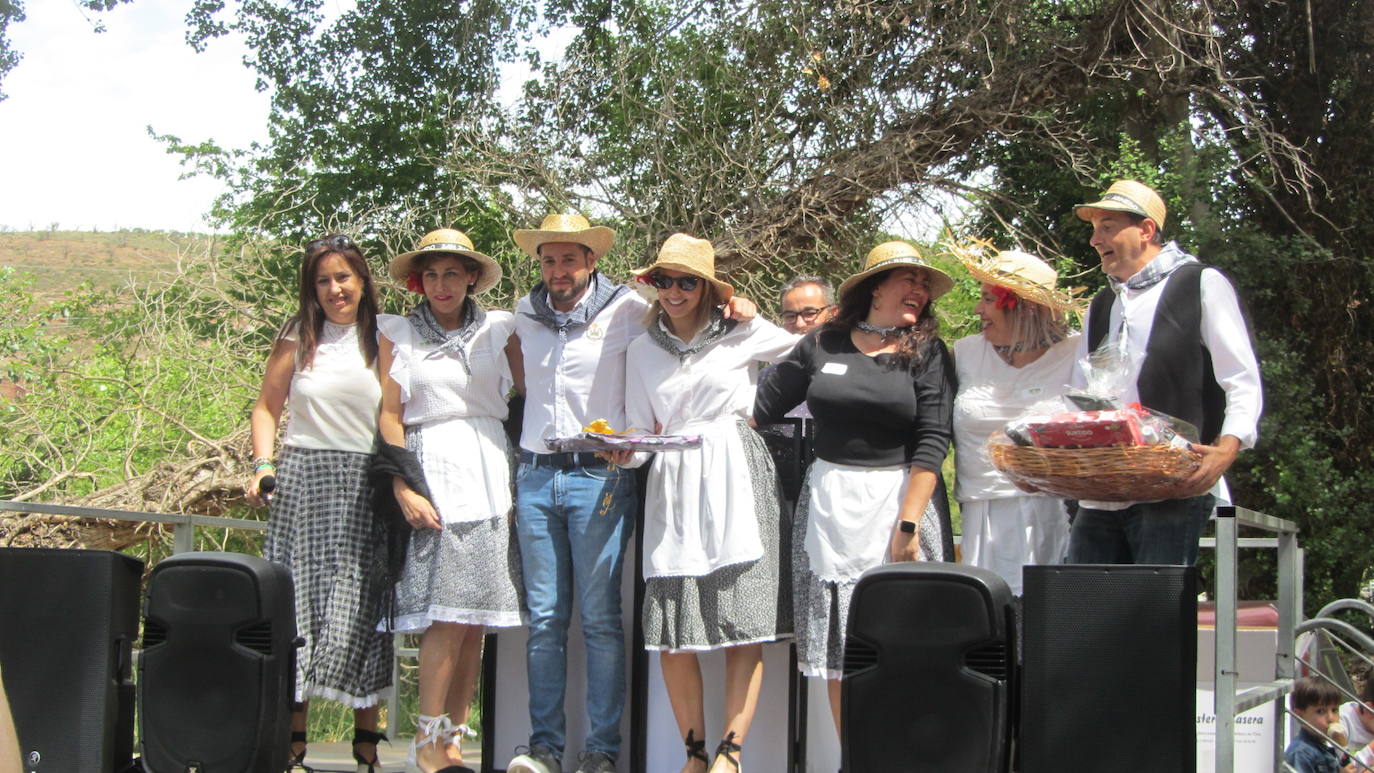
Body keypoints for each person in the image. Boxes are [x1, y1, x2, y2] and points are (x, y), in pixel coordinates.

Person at [505, 214, 757, 773]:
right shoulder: (523, 313)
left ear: (591, 261)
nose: (558, 270)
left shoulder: (627, 309)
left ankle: (601, 753)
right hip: (536, 473)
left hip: (601, 473)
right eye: (549, 260)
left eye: (570, 259)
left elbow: (686, 314)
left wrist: (737, 305)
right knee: (545, 617)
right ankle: (544, 748)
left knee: (598, 618)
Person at [753, 239, 956, 738]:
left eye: (924, 284)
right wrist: (738, 320)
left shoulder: (928, 351)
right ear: (875, 287)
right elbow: (759, 409)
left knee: (902, 637)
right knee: (842, 646)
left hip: (899, 501)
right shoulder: (823, 344)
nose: (919, 290)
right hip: (830, 506)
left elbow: (933, 439)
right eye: (909, 279)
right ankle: (854, 758)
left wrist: (908, 524)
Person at [618, 234, 797, 773]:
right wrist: (622, 451)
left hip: (736, 471)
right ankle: (694, 753)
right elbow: (636, 425)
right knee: (674, 631)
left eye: (687, 281)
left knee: (743, 620)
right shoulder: (641, 348)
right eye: (664, 281)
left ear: (708, 288)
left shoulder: (741, 334)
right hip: (672, 479)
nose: (674, 292)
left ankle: (731, 752)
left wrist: (753, 311)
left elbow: (800, 346)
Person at [374, 229, 526, 773]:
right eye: (432, 274)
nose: (441, 284)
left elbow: (534, 387)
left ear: (470, 278)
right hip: (432, 466)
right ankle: (426, 738)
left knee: (474, 619)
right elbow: (390, 415)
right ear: (420, 280)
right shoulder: (397, 333)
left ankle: (456, 737)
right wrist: (403, 484)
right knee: (443, 614)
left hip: (490, 468)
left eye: (452, 273)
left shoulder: (500, 326)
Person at [245, 234, 391, 772]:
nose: (334, 289)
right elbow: (266, 407)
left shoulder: (385, 336)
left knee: (363, 603)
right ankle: (293, 741)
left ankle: (367, 743)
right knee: (297, 604)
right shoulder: (296, 336)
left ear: (362, 281)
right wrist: (263, 466)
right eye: (323, 280)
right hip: (303, 477)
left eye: (343, 278)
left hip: (365, 479)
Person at [1067, 180, 1262, 566]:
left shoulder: (1200, 284)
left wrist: (1227, 449)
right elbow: (1082, 394)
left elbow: (1240, 378)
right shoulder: (1102, 303)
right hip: (1105, 490)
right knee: (1086, 609)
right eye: (1094, 229)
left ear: (1145, 230)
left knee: (1154, 612)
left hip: (1174, 483)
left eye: (1107, 226)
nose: (1094, 240)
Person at [952, 248, 1080, 594]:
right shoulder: (964, 352)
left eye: (988, 299)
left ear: (1022, 306)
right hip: (981, 514)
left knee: (1046, 624)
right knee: (989, 623)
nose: (978, 309)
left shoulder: (1075, 353)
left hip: (1054, 513)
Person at [1286, 676, 1354, 773]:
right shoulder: (1301, 753)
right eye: (1321, 711)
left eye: (1334, 710)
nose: (1331, 718)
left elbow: (1348, 766)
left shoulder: (1326, 746)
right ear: (1300, 715)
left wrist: (1341, 748)